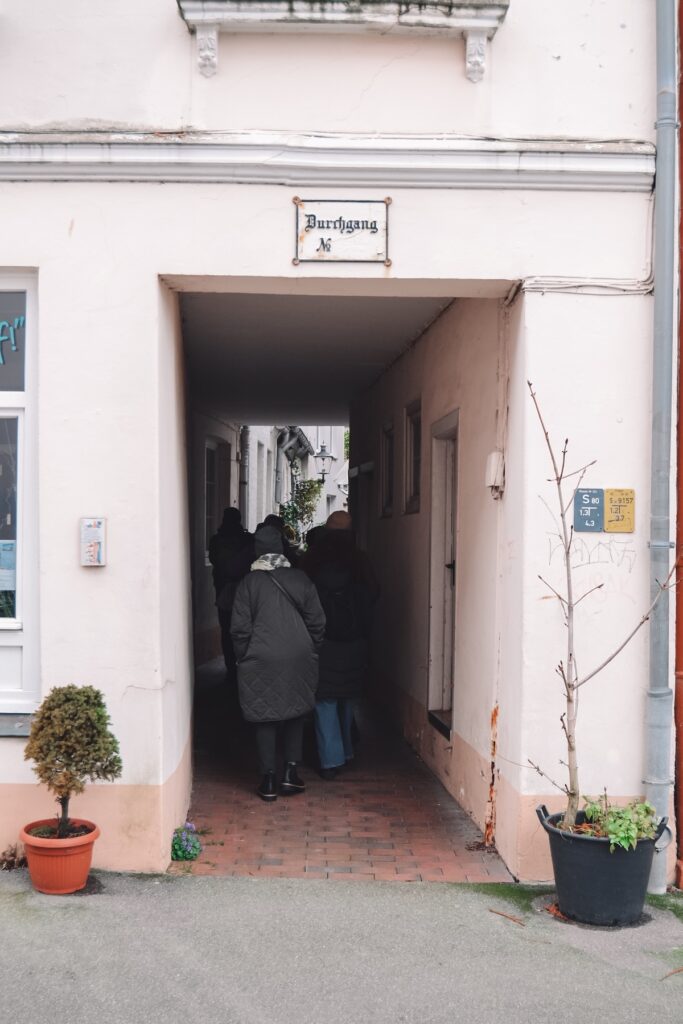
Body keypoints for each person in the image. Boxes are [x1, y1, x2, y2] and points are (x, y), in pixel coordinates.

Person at [230, 525, 326, 801]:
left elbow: (239, 628)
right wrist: (310, 648)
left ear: (257, 550)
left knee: (264, 716)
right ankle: (290, 774)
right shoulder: (301, 578)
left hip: (259, 657)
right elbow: (317, 622)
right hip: (299, 656)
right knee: (296, 711)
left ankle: (268, 779)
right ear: (282, 548)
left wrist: (244, 656)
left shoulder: (248, 583)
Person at [300, 510, 378, 779]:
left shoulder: (313, 561)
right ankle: (345, 751)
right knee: (347, 698)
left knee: (324, 700)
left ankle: (330, 759)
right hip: (354, 641)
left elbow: (302, 600)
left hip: (323, 641)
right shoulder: (361, 561)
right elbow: (374, 595)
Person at [208, 507, 254, 677]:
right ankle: (244, 666)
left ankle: (230, 668)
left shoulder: (216, 540)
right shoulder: (247, 539)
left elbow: (214, 561)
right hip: (245, 590)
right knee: (246, 629)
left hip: (223, 590)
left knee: (226, 630)